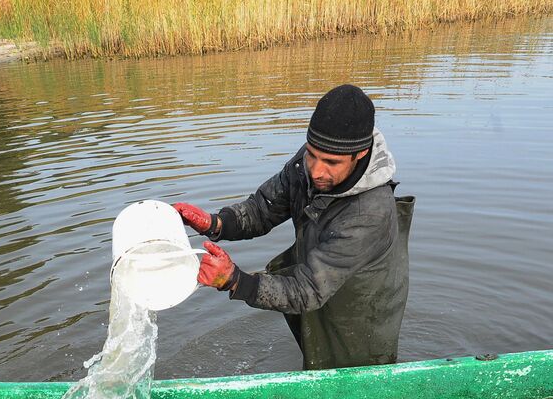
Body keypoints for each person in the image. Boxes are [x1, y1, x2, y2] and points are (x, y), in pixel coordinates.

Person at [172, 84, 413, 370]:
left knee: (355, 377)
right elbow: (263, 209)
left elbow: (306, 290)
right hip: (317, 278)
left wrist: (235, 281)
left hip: (362, 307)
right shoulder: (311, 160)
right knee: (315, 359)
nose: (316, 170)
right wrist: (216, 223)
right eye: (312, 154)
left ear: (359, 154)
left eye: (331, 162)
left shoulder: (369, 211)